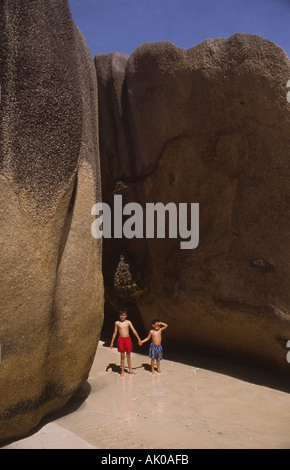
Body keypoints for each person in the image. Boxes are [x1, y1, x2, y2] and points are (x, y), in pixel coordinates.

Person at [110, 309, 142, 377]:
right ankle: (122, 371)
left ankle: (130, 369)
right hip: (120, 339)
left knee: (128, 355)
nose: (122, 316)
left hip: (127, 339)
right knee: (122, 356)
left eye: (123, 315)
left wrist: (139, 339)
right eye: (121, 315)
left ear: (126, 316)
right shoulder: (117, 323)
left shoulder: (128, 322)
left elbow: (134, 331)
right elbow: (115, 333)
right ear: (119, 315)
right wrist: (112, 342)